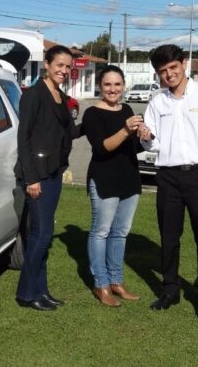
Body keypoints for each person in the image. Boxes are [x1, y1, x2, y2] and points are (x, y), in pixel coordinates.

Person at [139, 44, 198, 319]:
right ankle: (169, 291)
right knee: (169, 237)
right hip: (167, 177)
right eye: (162, 71)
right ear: (157, 74)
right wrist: (145, 135)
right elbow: (151, 144)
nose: (169, 75)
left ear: (184, 64)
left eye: (173, 68)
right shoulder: (157, 101)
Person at [14, 45, 82, 311]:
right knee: (42, 235)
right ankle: (26, 293)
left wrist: (104, 119)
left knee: (42, 235)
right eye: (60, 65)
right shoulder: (33, 95)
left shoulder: (60, 95)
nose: (64, 70)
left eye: (68, 67)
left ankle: (40, 291)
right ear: (47, 64)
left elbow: (69, 132)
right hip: (37, 176)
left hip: (54, 173)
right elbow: (24, 139)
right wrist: (31, 179)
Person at [82, 66, 143, 307]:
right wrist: (127, 129)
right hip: (104, 179)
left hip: (129, 179)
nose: (113, 89)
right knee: (101, 231)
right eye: (107, 84)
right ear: (100, 86)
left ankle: (117, 281)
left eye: (117, 84)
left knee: (121, 232)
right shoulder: (92, 114)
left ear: (124, 86)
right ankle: (101, 284)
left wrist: (143, 135)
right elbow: (103, 147)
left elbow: (135, 147)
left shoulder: (127, 110)